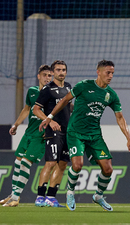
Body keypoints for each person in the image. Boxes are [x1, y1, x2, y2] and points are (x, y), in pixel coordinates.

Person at [39, 59, 130, 211]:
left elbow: (120, 118)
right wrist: (50, 117)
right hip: (76, 132)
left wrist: (129, 139)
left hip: (95, 135)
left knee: (108, 169)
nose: (110, 76)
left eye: (112, 73)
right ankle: (70, 192)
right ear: (98, 72)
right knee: (77, 165)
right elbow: (65, 100)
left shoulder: (111, 95)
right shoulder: (83, 86)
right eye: (107, 73)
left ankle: (98, 195)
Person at [0, 65, 52, 207]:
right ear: (39, 76)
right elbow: (26, 109)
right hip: (29, 132)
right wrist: (16, 125)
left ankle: (16, 197)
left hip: (40, 135)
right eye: (45, 75)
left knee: (25, 163)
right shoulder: (32, 91)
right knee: (17, 162)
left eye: (49, 75)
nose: (47, 78)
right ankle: (13, 195)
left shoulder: (53, 94)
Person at [33, 60, 72, 207]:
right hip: (53, 130)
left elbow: (68, 106)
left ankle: (51, 197)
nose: (61, 72)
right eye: (58, 70)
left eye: (63, 70)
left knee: (62, 164)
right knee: (50, 163)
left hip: (67, 131)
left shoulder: (68, 87)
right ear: (53, 72)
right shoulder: (47, 89)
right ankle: (40, 196)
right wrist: (49, 121)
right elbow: (36, 109)